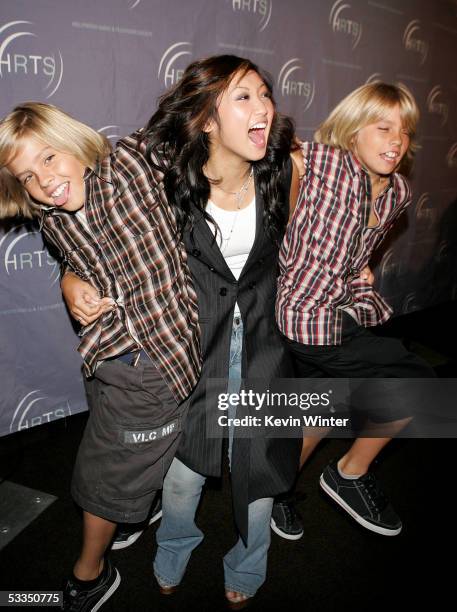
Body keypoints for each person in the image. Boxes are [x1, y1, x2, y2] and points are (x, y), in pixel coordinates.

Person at [60, 55, 302, 609]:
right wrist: (71, 279)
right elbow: (99, 244)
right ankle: (174, 547)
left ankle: (249, 562)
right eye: (244, 96)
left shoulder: (286, 172)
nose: (263, 106)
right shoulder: (164, 182)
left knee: (260, 475)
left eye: (265, 94)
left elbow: (322, 234)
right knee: (184, 476)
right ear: (207, 118)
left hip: (265, 347)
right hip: (191, 348)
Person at [0, 102, 201, 611]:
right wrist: (70, 282)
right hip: (106, 353)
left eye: (48, 158)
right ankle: (138, 508)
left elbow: (194, 120)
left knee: (99, 478)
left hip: (157, 359)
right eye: (27, 175)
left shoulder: (129, 162)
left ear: (73, 143)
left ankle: (90, 575)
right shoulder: (52, 219)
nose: (43, 181)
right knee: (123, 460)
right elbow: (75, 259)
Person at [275, 82, 436, 538]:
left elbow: (355, 240)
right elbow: (283, 158)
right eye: (382, 127)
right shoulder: (324, 163)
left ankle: (278, 492)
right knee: (414, 380)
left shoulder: (398, 192)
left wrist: (360, 265)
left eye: (404, 132)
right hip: (305, 316)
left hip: (341, 309)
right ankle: (348, 473)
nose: (396, 141)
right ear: (352, 132)